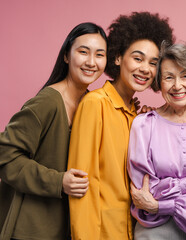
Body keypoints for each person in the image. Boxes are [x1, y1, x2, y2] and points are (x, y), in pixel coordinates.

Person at [67, 12, 174, 240]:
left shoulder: (137, 115)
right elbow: (83, 184)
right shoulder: (95, 104)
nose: (145, 68)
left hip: (132, 230)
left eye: (153, 63)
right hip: (101, 233)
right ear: (117, 58)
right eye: (138, 58)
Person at [0, 22, 107, 240]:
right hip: (30, 229)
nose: (91, 62)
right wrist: (58, 181)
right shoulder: (48, 101)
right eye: (83, 52)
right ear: (67, 56)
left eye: (99, 54)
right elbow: (5, 156)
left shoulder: (92, 103)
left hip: (67, 226)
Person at [127, 43, 186, 240]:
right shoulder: (143, 125)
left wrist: (159, 204)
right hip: (153, 231)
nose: (177, 85)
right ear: (159, 82)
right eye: (169, 77)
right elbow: (144, 190)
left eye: (185, 76)